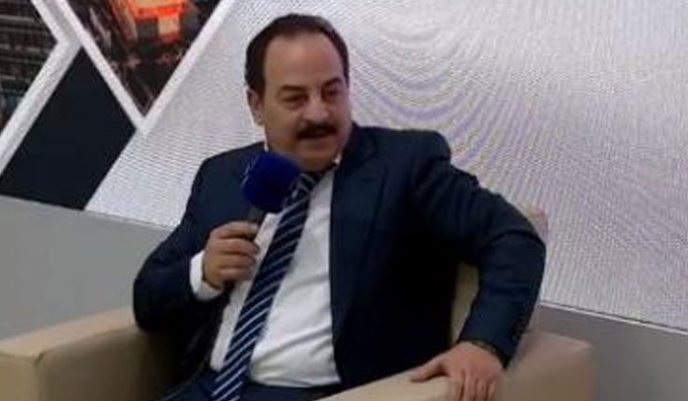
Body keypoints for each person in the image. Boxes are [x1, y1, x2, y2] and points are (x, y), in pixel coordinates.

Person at [134, 13, 544, 401]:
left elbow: (512, 237)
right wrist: (202, 272)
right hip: (209, 388)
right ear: (256, 105)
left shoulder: (404, 168)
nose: (319, 113)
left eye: (332, 92)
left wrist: (482, 344)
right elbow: (147, 298)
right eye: (295, 98)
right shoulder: (223, 176)